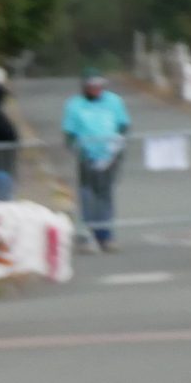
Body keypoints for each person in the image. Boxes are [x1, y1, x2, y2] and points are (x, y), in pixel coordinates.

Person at [61, 70, 130, 251]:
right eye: (91, 86)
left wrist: (117, 145)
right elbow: (69, 132)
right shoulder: (75, 105)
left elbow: (123, 125)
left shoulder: (114, 101)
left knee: (105, 194)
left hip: (110, 154)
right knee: (87, 194)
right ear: (84, 87)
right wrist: (75, 149)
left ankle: (105, 235)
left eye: (99, 86)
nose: (95, 89)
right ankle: (85, 234)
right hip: (86, 155)